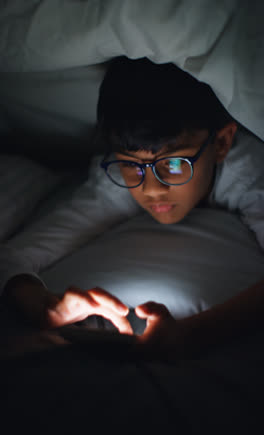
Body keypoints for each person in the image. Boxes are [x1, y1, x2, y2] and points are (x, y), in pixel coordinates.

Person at [1, 57, 264, 359]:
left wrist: (192, 332)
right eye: (130, 164)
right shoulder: (117, 183)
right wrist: (45, 307)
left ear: (221, 143)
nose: (151, 189)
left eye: (175, 163)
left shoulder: (251, 172)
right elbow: (13, 256)